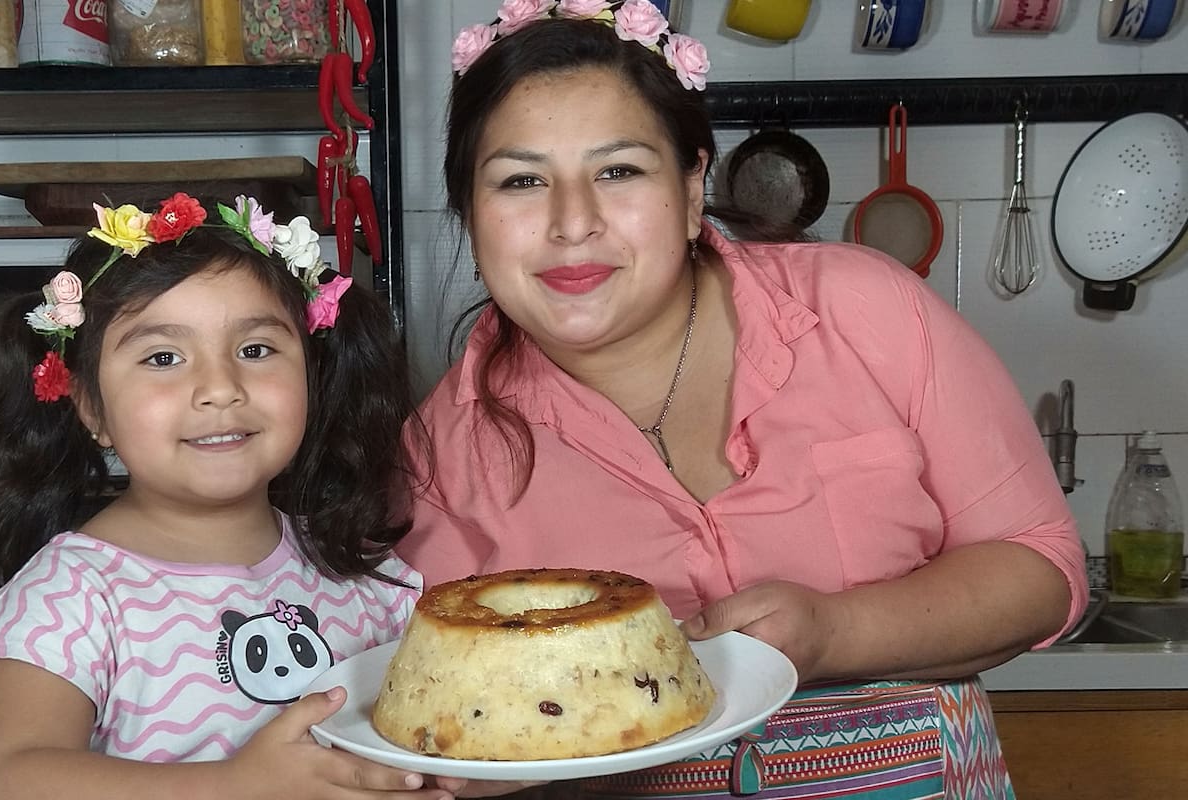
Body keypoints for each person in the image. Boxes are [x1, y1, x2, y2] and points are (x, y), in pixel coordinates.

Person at [396, 2, 1090, 798]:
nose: (572, 223)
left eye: (619, 170)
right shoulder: (437, 457)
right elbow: (441, 719)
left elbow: (1042, 567)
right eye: (521, 180)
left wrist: (834, 633)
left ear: (692, 188)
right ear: (468, 214)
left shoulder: (866, 310)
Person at [0, 193, 462, 799]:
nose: (219, 388)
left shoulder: (362, 575)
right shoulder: (70, 598)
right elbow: (7, 773)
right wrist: (235, 785)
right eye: (163, 357)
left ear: (311, 377)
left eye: (256, 350)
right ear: (91, 409)